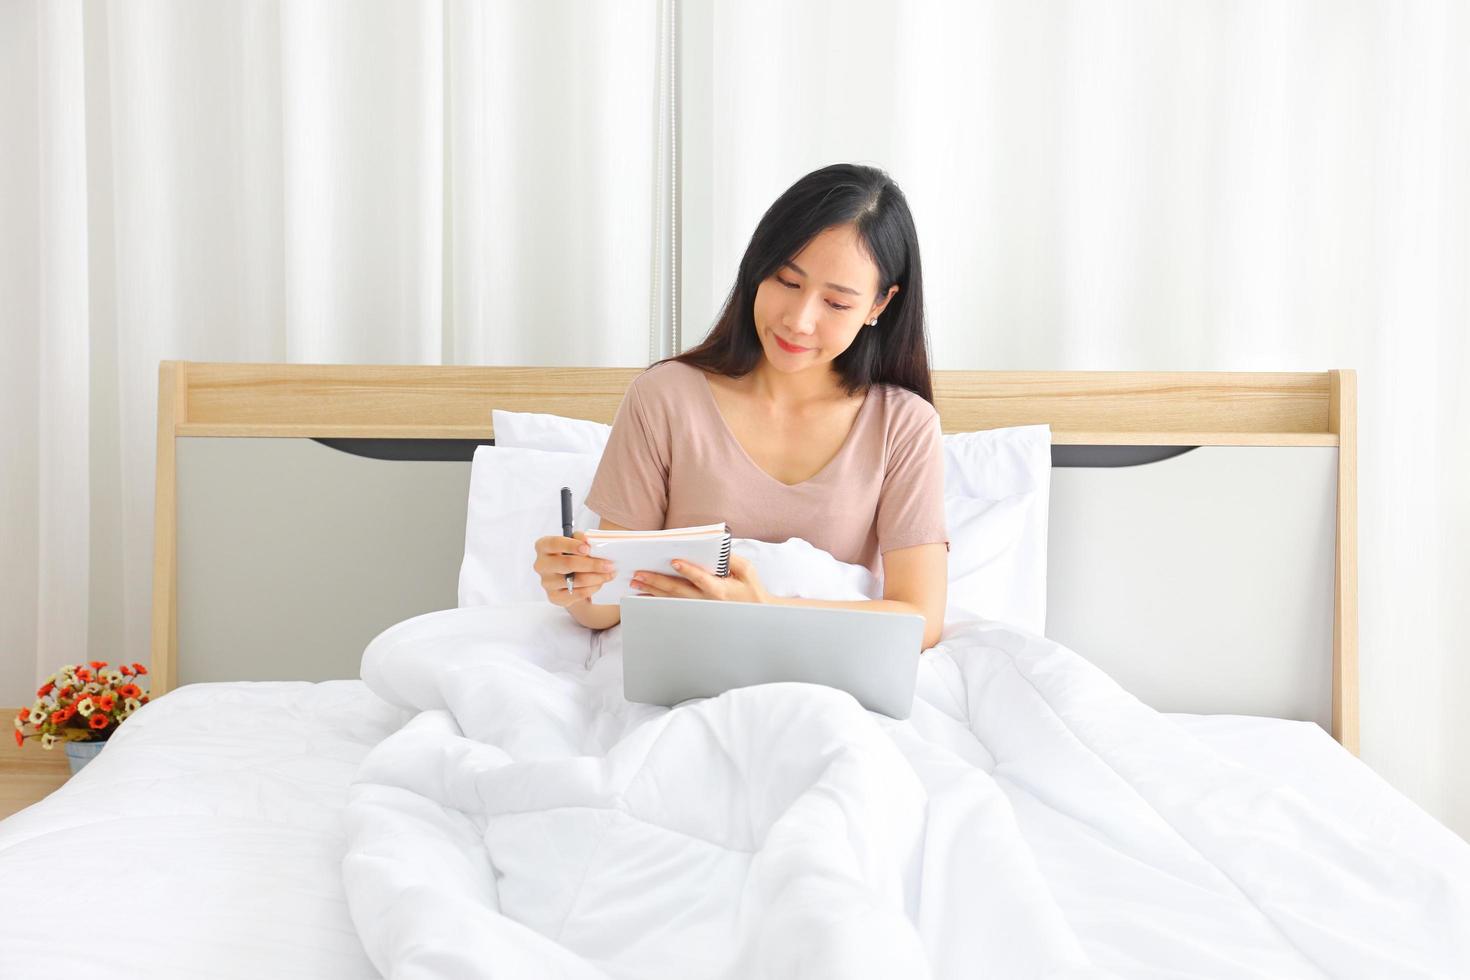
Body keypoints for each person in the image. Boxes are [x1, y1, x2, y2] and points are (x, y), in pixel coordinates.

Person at [532, 163, 949, 648]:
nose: (799, 320)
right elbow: (609, 602)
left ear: (879, 306)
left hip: (823, 680)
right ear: (758, 267)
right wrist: (573, 585)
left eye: (836, 304)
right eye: (787, 282)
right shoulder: (664, 398)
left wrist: (765, 613)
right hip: (686, 667)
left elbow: (919, 620)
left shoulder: (904, 426)